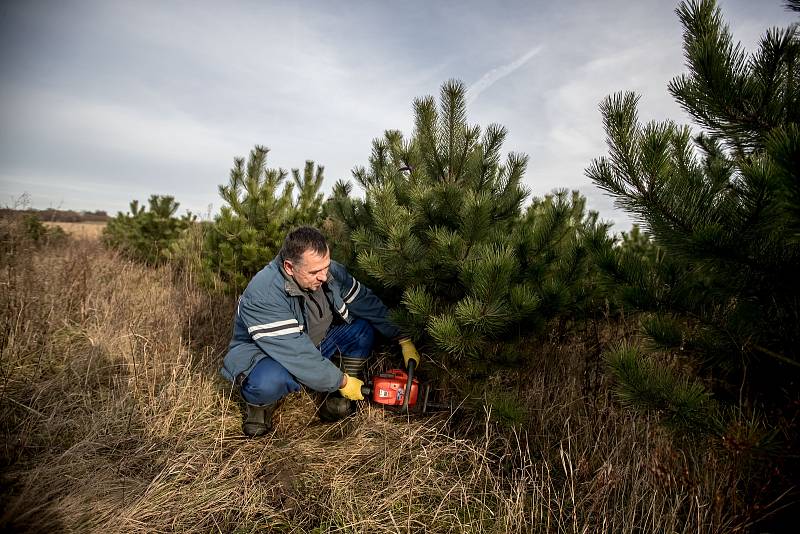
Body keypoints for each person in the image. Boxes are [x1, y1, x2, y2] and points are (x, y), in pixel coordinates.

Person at [220, 226, 421, 437]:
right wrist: (342, 381)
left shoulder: (328, 272)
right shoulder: (264, 294)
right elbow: (297, 354)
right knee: (268, 381)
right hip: (271, 355)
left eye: (325, 267)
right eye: (315, 272)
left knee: (361, 330)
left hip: (315, 344)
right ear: (289, 267)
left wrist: (402, 338)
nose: (324, 276)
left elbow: (366, 302)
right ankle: (259, 409)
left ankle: (337, 398)